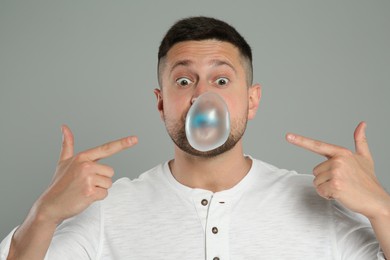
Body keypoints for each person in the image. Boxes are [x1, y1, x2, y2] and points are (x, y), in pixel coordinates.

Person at [1, 16, 389, 260]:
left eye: (222, 80)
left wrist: (382, 209)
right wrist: (44, 213)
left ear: (252, 101)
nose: (203, 96)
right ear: (161, 103)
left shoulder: (323, 203)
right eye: (184, 81)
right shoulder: (107, 210)